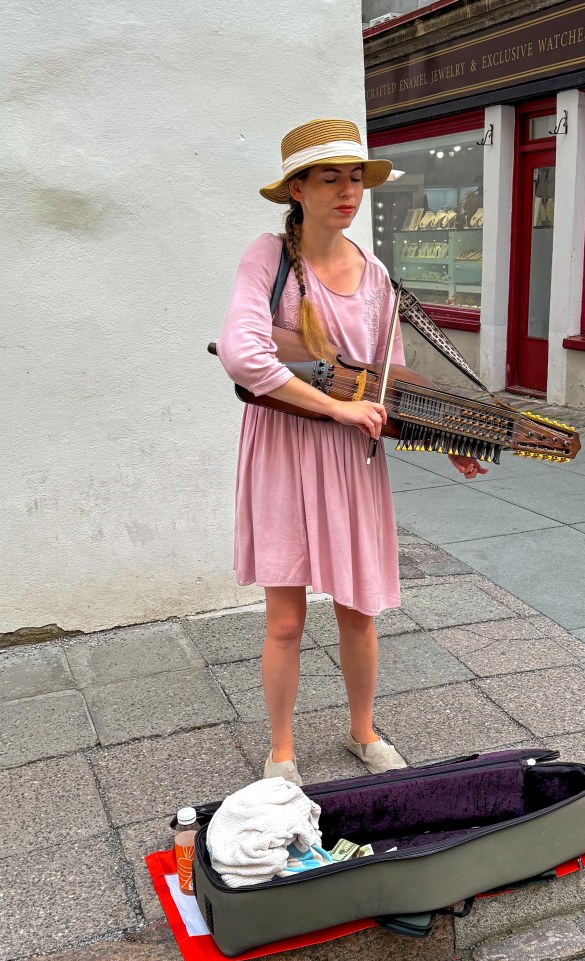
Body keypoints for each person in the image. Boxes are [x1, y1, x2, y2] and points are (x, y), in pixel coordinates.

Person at [217, 119, 487, 786]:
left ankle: (363, 732)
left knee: (359, 611)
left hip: (349, 461)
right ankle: (282, 752)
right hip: (284, 451)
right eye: (330, 178)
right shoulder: (268, 257)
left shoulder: (376, 275)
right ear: (297, 190)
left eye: (356, 179)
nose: (347, 192)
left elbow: (391, 380)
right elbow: (243, 356)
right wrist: (336, 407)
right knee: (285, 620)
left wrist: (446, 438)